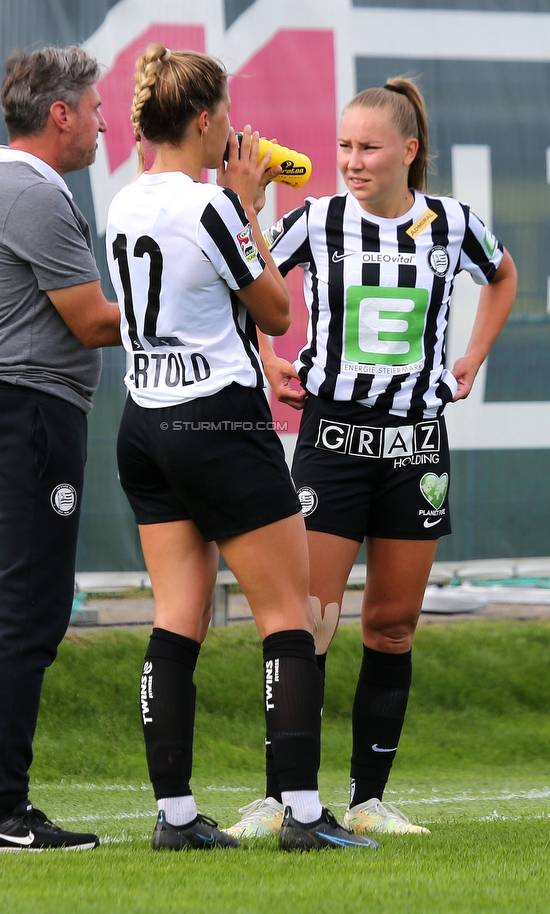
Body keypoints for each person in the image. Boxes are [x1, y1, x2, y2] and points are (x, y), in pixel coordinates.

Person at [226, 77, 517, 839]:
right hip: (332, 440)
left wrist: (473, 357)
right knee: (308, 623)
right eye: (344, 147)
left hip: (417, 446)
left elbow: (504, 275)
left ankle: (368, 798)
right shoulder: (317, 220)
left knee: (391, 626)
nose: (351, 162)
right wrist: (266, 357)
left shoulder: (452, 225)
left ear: (409, 151)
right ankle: (283, 796)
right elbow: (250, 282)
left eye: (368, 148)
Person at [105, 43, 378, 853]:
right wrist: (250, 203)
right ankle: (301, 812)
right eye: (224, 113)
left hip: (143, 424)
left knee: (176, 616)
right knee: (285, 614)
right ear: (202, 120)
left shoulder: (124, 202)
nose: (235, 127)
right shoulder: (213, 205)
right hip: (217, 424)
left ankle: (177, 819)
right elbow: (275, 309)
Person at [0, 46, 122, 853]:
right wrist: (195, 303)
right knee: (28, 611)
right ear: (60, 115)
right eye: (92, 109)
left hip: (7, 409)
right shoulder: (32, 192)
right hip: (30, 415)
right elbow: (93, 321)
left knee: (17, 607)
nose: (101, 122)